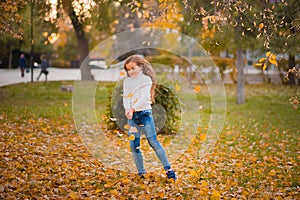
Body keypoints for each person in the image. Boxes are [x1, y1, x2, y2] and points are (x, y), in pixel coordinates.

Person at [123, 55, 177, 181]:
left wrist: (133, 108)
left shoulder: (146, 80)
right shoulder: (127, 81)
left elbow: (143, 98)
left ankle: (169, 170)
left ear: (140, 67)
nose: (131, 72)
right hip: (132, 116)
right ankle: (141, 173)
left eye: (133, 68)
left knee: (153, 142)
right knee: (134, 145)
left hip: (145, 114)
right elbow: (126, 96)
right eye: (128, 70)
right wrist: (127, 109)